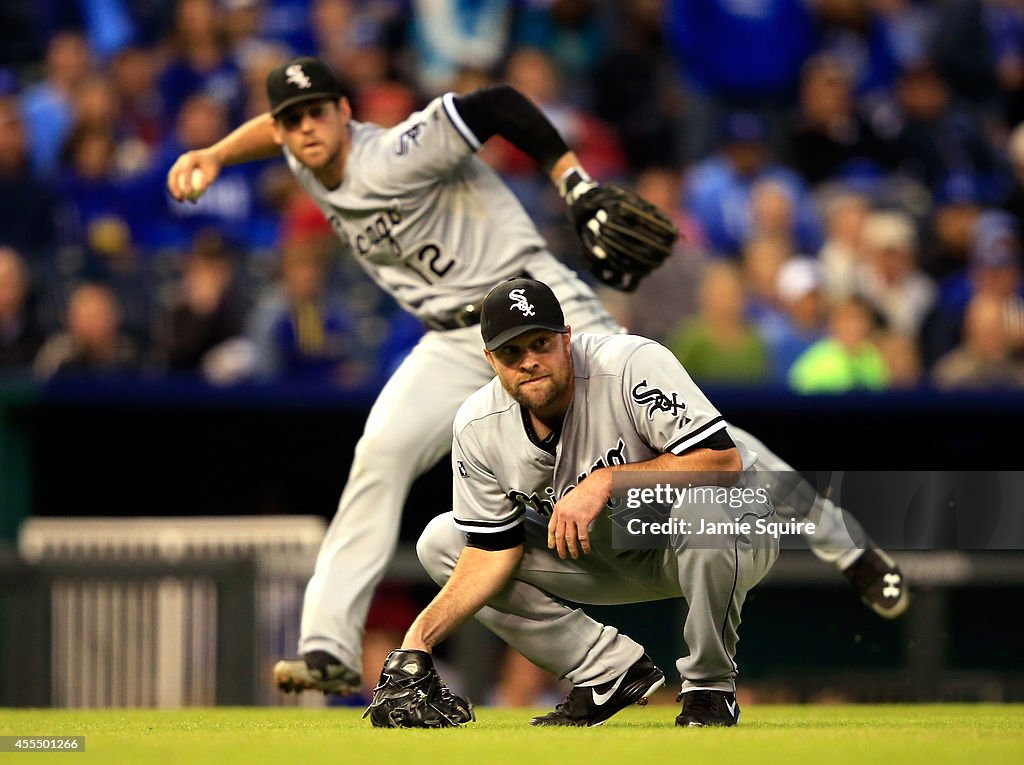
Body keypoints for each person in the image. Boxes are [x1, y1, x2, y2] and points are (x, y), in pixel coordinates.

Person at [166, 55, 906, 699]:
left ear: (345, 111)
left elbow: (497, 105)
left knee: (691, 432)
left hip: (540, 320)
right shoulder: (300, 149)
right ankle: (329, 646)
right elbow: (273, 131)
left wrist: (571, 179)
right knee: (380, 453)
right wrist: (216, 152)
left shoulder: (390, 153)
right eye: (290, 120)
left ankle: (844, 540)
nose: (302, 129)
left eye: (315, 113)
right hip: (457, 343)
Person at [373, 276, 780, 728]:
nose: (529, 361)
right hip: (606, 552)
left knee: (705, 508)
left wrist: (605, 481)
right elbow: (492, 552)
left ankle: (710, 687)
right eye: (512, 352)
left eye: (540, 343)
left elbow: (723, 462)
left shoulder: (631, 364)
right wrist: (419, 638)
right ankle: (607, 670)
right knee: (441, 540)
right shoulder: (478, 425)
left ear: (567, 339)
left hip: (727, 531)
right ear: (491, 360)